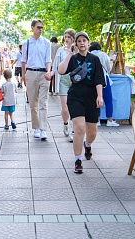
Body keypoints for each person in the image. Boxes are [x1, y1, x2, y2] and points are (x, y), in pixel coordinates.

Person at [58, 31, 105, 173]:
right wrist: (70, 54)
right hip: (75, 96)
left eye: (84, 40)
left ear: (88, 43)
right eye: (79, 41)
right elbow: (61, 71)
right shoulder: (73, 58)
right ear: (76, 44)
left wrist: (99, 96)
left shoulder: (94, 59)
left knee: (92, 131)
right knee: (79, 128)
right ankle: (77, 159)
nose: (82, 43)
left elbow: (98, 79)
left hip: (91, 97)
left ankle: (88, 144)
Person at [21, 19, 52, 140]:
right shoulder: (26, 43)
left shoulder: (46, 43)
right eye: (38, 27)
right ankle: (37, 127)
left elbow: (48, 59)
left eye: (42, 28)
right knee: (33, 103)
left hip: (44, 73)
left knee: (43, 103)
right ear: (32, 27)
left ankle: (43, 128)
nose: (40, 30)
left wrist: (49, 71)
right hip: (31, 73)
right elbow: (23, 60)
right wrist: (23, 75)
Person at [51, 28, 76, 141]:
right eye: (65, 37)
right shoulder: (61, 50)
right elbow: (56, 65)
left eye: (69, 37)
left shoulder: (77, 50)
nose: (66, 39)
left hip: (76, 79)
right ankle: (66, 123)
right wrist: (50, 73)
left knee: (76, 107)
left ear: (73, 38)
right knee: (65, 106)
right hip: (63, 79)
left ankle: (74, 131)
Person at [89, 41, 119, 127]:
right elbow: (109, 68)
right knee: (108, 99)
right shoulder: (104, 54)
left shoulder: (88, 55)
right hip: (103, 78)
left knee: (95, 99)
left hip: (92, 79)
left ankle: (97, 119)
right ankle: (109, 120)